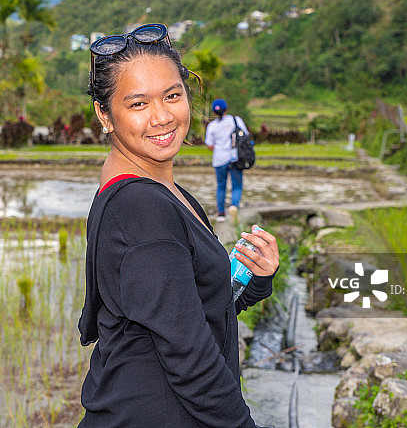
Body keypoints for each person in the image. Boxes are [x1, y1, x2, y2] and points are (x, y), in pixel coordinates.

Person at [78, 23, 279, 427]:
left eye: (172, 95)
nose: (162, 117)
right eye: (137, 104)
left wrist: (254, 281)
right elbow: (190, 357)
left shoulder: (167, 193)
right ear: (105, 114)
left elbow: (188, 312)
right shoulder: (141, 207)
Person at [205, 98, 247, 222]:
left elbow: (209, 145)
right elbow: (245, 136)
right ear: (227, 109)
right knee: (237, 185)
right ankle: (234, 207)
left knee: (221, 186)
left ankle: (221, 214)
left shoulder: (212, 126)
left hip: (219, 159)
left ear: (213, 112)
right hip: (235, 158)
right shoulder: (235, 120)